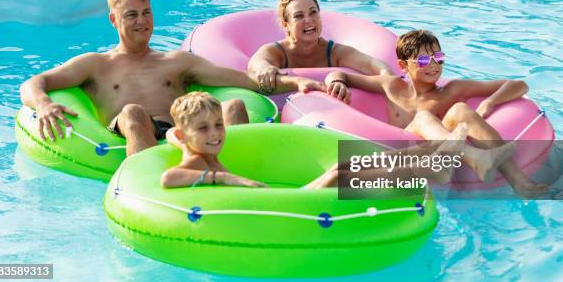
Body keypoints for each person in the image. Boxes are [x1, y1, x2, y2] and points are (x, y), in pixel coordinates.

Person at [20, 0, 324, 156]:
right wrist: (44, 104)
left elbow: (245, 81)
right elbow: (36, 82)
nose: (142, 21)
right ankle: (144, 185)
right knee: (132, 112)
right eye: (131, 15)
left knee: (234, 105)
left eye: (147, 12)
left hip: (183, 131)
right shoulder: (96, 65)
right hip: (133, 131)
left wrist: (296, 82)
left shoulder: (176, 62)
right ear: (114, 21)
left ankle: (238, 183)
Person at [324, 29, 549, 197]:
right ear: (403, 66)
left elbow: (519, 85)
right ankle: (473, 157)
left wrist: (490, 103)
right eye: (423, 60)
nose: (433, 65)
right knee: (423, 116)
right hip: (405, 152)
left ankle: (521, 183)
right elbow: (341, 74)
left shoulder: (453, 90)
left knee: (461, 110)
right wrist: (337, 83)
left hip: (437, 151)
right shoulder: (392, 86)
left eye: (438, 58)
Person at [162, 92, 478, 189]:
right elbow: (168, 177)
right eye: (204, 129)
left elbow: (177, 138)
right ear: (186, 135)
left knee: (348, 164)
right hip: (277, 204)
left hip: (273, 197)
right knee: (340, 173)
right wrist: (228, 178)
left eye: (218, 125)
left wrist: (183, 139)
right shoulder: (194, 161)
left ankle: (433, 162)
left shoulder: (193, 147)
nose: (216, 133)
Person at [248, 0, 394, 103]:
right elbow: (257, 62)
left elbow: (372, 64)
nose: (308, 20)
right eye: (299, 16)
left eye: (313, 13)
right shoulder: (277, 51)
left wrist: (388, 78)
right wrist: (264, 68)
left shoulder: (334, 52)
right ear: (286, 25)